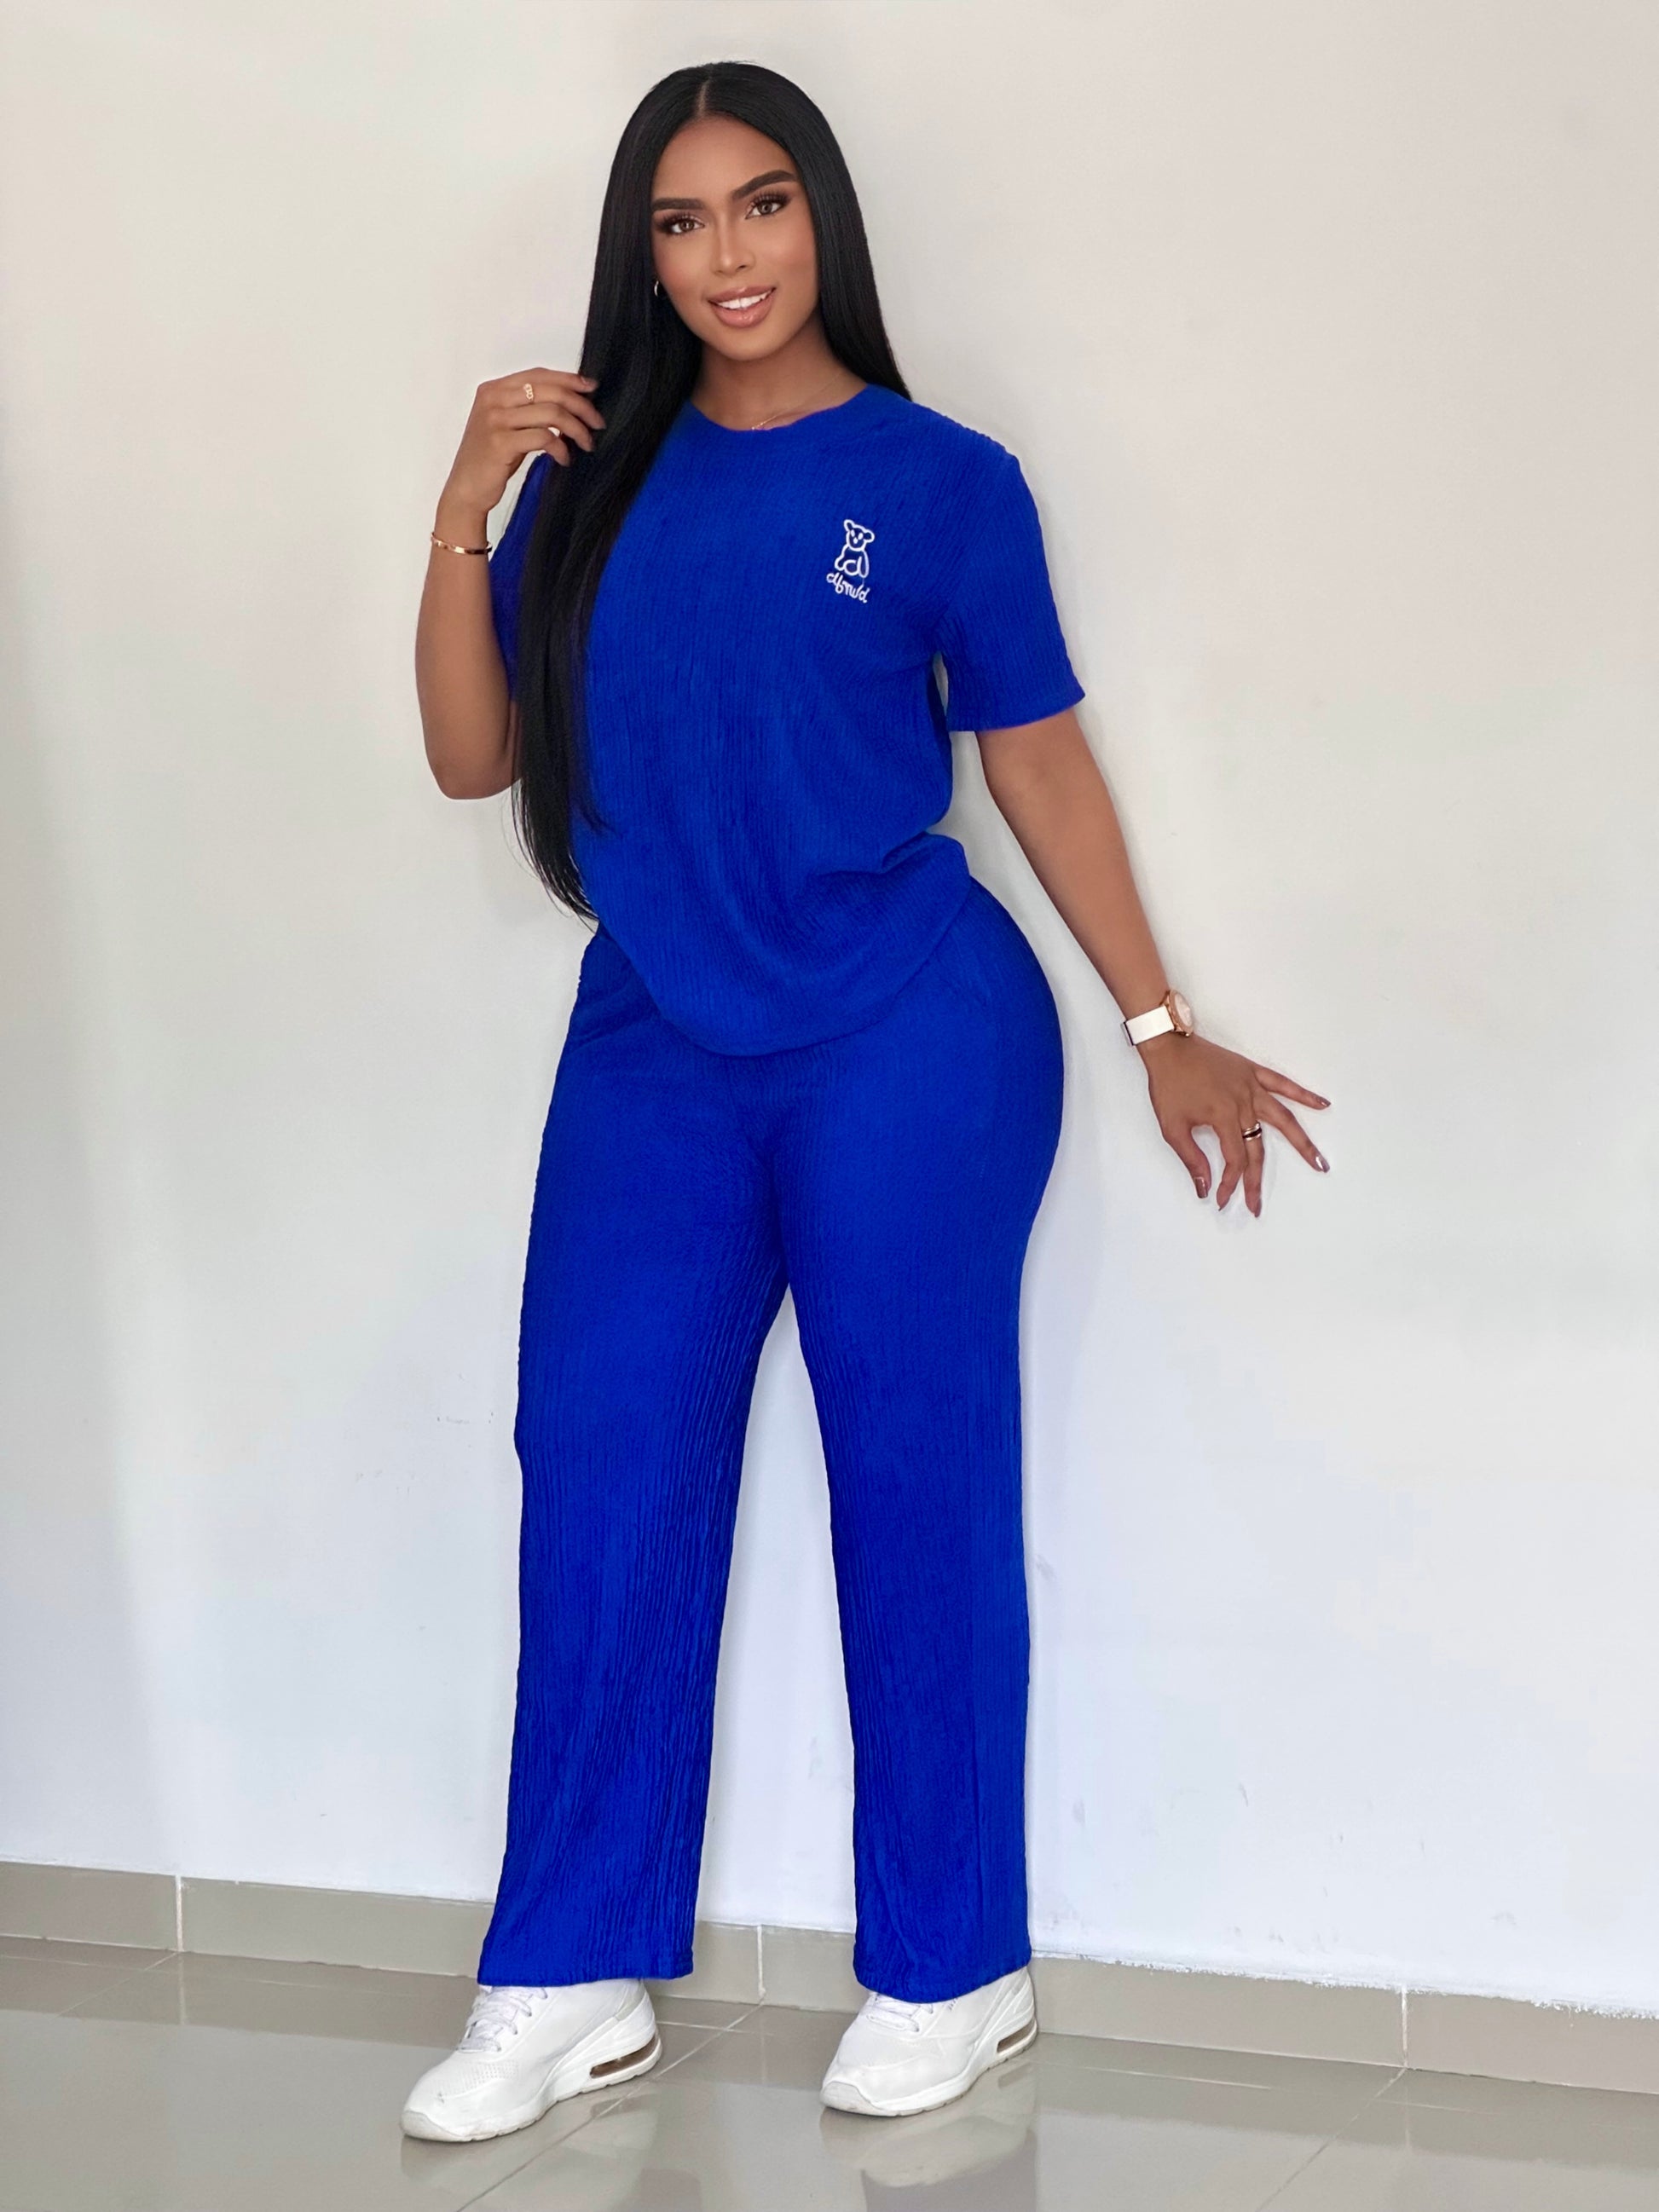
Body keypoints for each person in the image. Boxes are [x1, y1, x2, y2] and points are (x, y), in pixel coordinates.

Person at [402, 59, 1330, 2142]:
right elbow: (472, 759)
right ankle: (567, 1964)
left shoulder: (939, 480)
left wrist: (1158, 1017)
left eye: (760, 204)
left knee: (912, 1472)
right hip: (656, 1034)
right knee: (600, 1456)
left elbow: (1036, 753)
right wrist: (463, 498)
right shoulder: (591, 482)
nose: (725, 254)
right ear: (643, 255)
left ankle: (951, 1960)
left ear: (820, 214)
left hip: (907, 1034)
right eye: (679, 221)